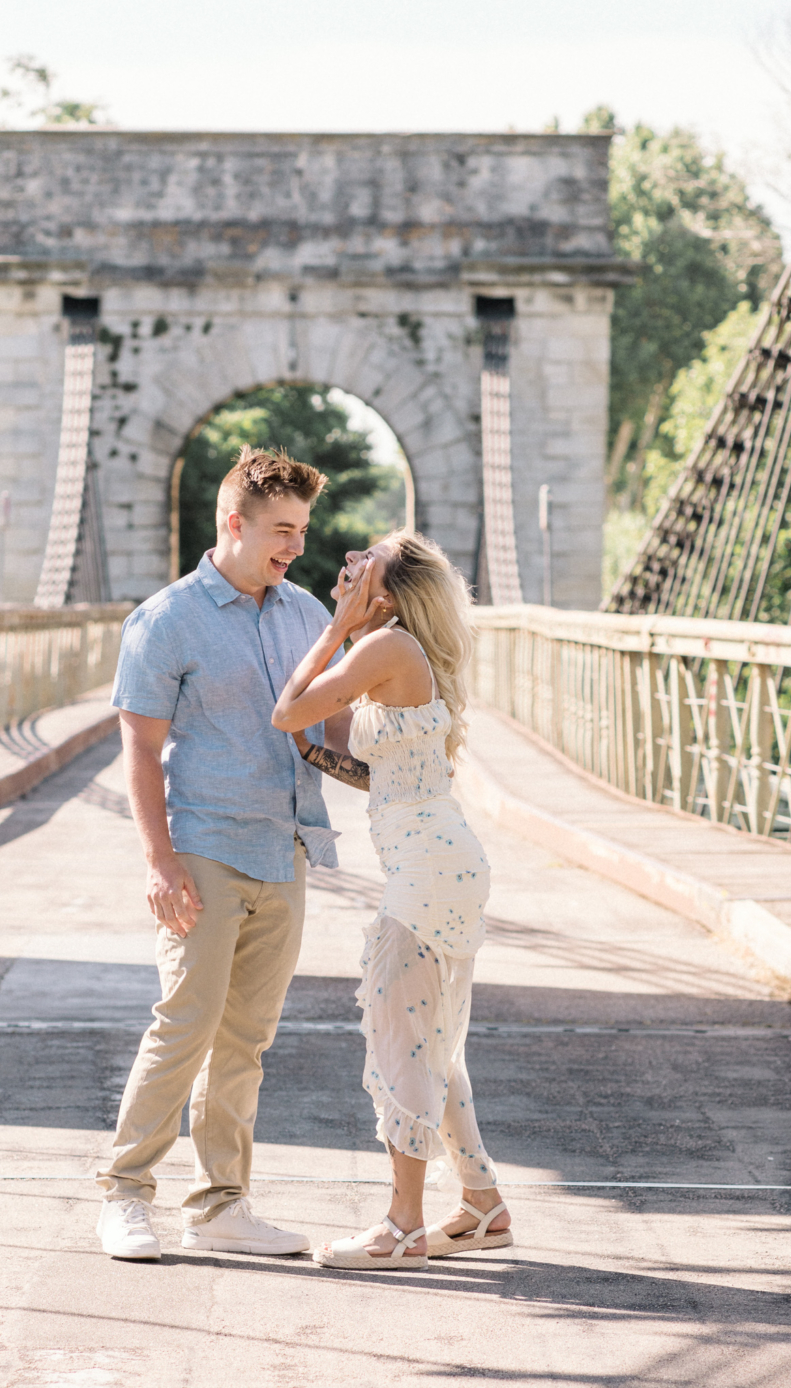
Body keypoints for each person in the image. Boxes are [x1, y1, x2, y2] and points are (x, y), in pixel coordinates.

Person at [96, 446, 351, 1261]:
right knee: (185, 1024)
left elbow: (331, 732)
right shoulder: (167, 619)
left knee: (246, 1039)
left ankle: (221, 1205)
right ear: (234, 524)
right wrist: (158, 862)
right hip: (204, 845)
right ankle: (126, 1196)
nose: (295, 547)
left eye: (303, 531)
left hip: (288, 849)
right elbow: (139, 749)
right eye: (282, 530)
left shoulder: (309, 614)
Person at [272, 530, 512, 1270]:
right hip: (439, 859)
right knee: (433, 1042)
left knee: (402, 1040)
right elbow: (372, 760)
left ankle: (401, 1225)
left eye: (361, 563)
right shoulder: (397, 652)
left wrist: (337, 627)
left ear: (389, 590)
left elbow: (289, 711)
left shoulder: (384, 648)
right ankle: (482, 1205)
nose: (344, 566)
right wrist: (318, 749)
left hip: (429, 871)